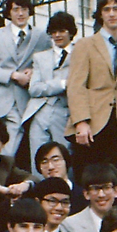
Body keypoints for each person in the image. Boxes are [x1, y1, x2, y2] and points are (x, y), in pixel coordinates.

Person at [65, 0, 117, 204]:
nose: (111, 13)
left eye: (116, 8)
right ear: (100, 15)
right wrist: (81, 122)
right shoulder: (85, 45)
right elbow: (76, 85)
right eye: (106, 9)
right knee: (87, 186)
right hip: (91, 128)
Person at [0, 0, 51, 157]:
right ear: (9, 13)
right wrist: (12, 75)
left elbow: (48, 64)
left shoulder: (41, 37)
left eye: (24, 9)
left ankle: (2, 176)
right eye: (16, 9)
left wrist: (33, 71)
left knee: (10, 150)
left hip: (22, 100)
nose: (20, 14)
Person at [24, 11, 76, 172]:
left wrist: (49, 86)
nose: (57, 35)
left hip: (65, 113)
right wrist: (62, 83)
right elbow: (34, 88)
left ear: (71, 32)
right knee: (38, 161)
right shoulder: (40, 57)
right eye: (53, 32)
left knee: (63, 159)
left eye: (62, 31)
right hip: (40, 112)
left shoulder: (79, 54)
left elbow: (77, 86)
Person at [62, 163, 117, 232]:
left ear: (116, 191)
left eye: (106, 187)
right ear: (86, 194)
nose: (101, 195)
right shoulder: (70, 225)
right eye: (95, 188)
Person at [34, 141, 87, 214]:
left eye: (55, 160)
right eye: (44, 162)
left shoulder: (83, 196)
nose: (50, 167)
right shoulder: (35, 195)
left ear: (66, 161)